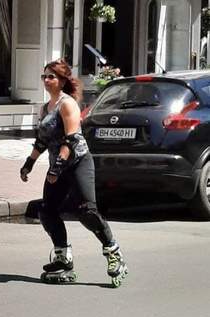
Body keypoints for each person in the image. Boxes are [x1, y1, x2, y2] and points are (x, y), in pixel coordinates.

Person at [20, 59, 128, 287]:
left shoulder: (67, 104)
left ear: (62, 81)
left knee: (86, 211)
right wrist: (29, 164)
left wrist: (57, 167)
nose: (47, 80)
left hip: (78, 163)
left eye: (51, 77)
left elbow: (71, 138)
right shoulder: (45, 108)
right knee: (47, 211)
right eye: (44, 76)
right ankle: (62, 258)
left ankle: (113, 252)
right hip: (57, 166)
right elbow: (42, 140)